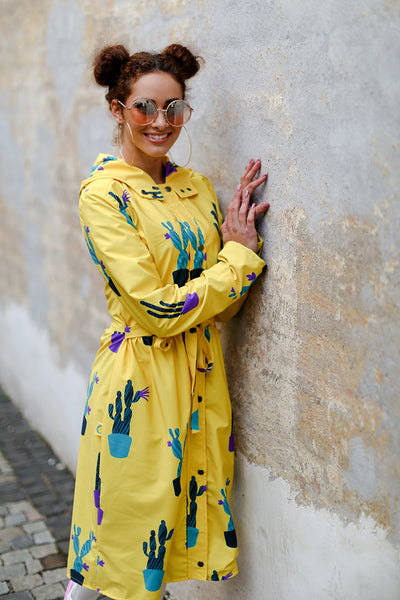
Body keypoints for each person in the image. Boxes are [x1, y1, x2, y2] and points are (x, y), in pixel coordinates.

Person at [65, 43, 269, 600]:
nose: (161, 122)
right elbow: (157, 310)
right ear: (117, 109)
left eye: (174, 108)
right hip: (140, 383)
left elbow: (220, 305)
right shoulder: (102, 195)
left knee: (167, 535)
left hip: (201, 379)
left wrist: (231, 258)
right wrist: (237, 259)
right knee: (127, 531)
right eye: (144, 108)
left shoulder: (197, 188)